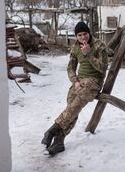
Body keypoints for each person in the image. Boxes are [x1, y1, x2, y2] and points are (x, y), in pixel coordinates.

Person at [41, 21, 108, 155]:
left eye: (85, 34)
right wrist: (75, 81)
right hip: (80, 82)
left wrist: (89, 54)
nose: (83, 37)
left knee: (74, 106)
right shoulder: (75, 47)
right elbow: (70, 68)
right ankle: (59, 141)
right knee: (72, 107)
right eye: (79, 35)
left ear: (89, 33)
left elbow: (103, 68)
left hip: (94, 82)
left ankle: (53, 129)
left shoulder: (99, 46)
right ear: (76, 36)